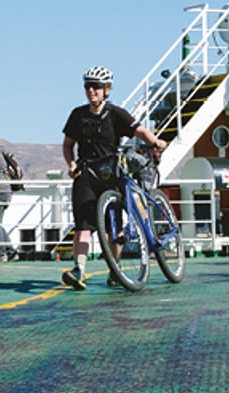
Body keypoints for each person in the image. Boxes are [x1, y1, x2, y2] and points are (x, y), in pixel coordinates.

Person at [59, 66, 167, 290]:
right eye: (88, 86)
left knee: (113, 228)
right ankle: (79, 270)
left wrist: (155, 141)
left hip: (111, 174)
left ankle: (115, 269)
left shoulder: (115, 113)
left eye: (97, 87)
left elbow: (139, 131)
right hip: (86, 174)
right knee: (83, 226)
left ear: (106, 90)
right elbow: (68, 145)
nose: (92, 91)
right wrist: (70, 164)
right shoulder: (77, 115)